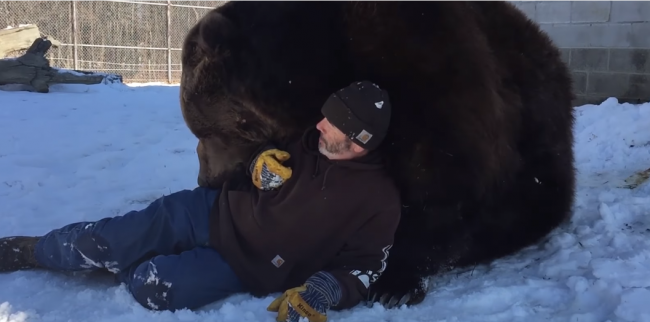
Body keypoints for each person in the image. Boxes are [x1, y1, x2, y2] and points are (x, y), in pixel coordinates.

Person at [0, 81, 401, 322]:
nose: (319, 124)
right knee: (106, 240)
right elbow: (255, 163)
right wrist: (258, 165)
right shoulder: (307, 142)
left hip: (247, 266)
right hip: (212, 211)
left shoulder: (378, 200)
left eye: (330, 123)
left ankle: (123, 262)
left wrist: (325, 291)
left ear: (356, 138)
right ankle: (29, 251)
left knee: (152, 286)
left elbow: (366, 267)